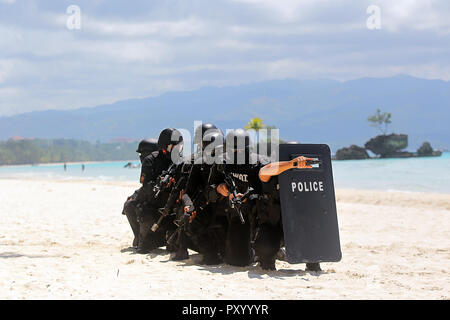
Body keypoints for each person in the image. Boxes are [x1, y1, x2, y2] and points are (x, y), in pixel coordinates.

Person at [173, 126, 228, 264]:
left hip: (226, 213)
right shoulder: (198, 164)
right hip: (206, 210)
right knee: (189, 220)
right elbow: (187, 192)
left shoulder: (230, 163)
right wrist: (189, 206)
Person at [215, 129, 269, 267]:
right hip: (236, 213)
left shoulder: (260, 163)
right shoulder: (223, 163)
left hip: (258, 214)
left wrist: (248, 197)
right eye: (232, 150)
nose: (236, 153)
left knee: (266, 252)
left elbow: (267, 192)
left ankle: (273, 249)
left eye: (239, 150)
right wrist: (219, 189)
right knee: (237, 261)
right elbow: (209, 187)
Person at [135, 128, 184, 253]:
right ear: (165, 146)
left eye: (180, 146)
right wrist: (159, 183)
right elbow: (146, 186)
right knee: (144, 247)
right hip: (155, 205)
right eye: (175, 146)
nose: (179, 149)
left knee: (176, 247)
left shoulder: (182, 161)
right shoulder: (151, 160)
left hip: (174, 206)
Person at [122, 138, 158, 247]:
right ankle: (140, 237)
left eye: (142, 154)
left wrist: (135, 198)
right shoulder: (159, 162)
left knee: (129, 206)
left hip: (156, 203)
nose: (141, 157)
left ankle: (140, 237)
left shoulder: (152, 163)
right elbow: (146, 187)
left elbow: (149, 188)